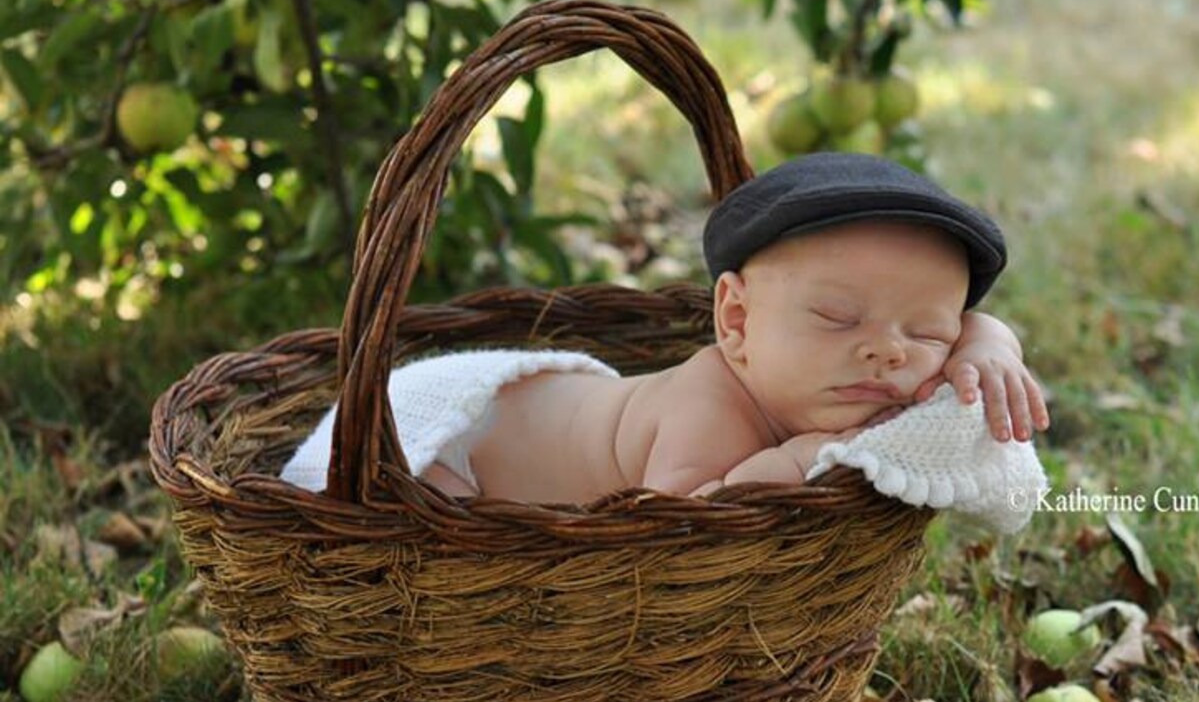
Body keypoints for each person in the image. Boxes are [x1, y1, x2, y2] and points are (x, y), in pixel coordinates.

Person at [282, 153, 1048, 505]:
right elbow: (681, 522)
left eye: (928, 332)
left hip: (530, 414)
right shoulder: (711, 406)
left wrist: (990, 344)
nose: (888, 348)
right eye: (836, 316)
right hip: (455, 442)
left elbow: (964, 333)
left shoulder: (873, 369)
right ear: (736, 320)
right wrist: (796, 459)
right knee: (431, 529)